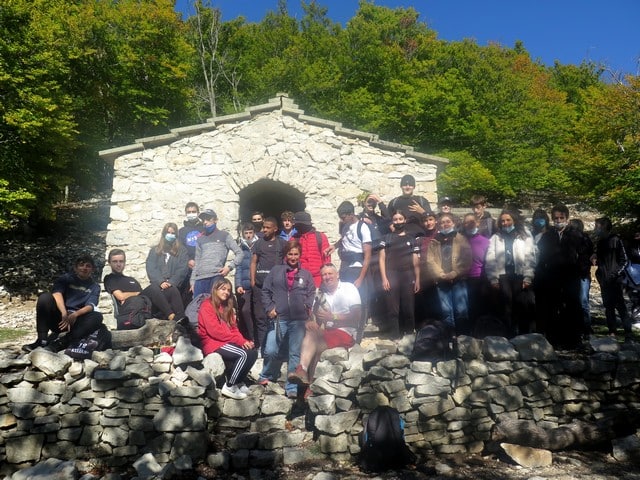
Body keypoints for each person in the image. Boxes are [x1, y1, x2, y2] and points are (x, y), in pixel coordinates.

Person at [288, 263, 361, 395]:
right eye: (324, 275)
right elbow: (312, 315)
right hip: (327, 332)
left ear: (337, 274)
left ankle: (304, 378)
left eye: (330, 274)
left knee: (314, 342)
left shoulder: (349, 288)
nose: (327, 277)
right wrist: (309, 322)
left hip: (345, 331)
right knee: (310, 334)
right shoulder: (320, 293)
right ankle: (304, 377)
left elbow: (357, 316)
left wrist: (333, 317)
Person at [258, 240, 316, 398]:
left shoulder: (306, 274)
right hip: (279, 318)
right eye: (290, 254)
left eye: (296, 254)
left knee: (294, 353)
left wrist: (307, 306)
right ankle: (265, 375)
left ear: (300, 255)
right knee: (270, 349)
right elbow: (265, 291)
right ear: (285, 255)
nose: (293, 257)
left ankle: (291, 387)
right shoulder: (276, 271)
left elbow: (312, 292)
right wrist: (270, 308)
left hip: (298, 320)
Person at [535, 204, 591, 348]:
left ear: (567, 218)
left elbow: (585, 254)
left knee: (573, 306)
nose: (558, 220)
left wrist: (581, 269)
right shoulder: (548, 235)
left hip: (571, 277)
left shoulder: (577, 235)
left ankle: (574, 339)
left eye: (561, 218)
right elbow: (541, 256)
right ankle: (555, 339)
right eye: (555, 218)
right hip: (552, 277)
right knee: (553, 307)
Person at [22, 254, 104, 352]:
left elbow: (91, 306)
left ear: (92, 269)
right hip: (60, 318)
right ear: (76, 267)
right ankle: (42, 340)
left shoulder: (95, 286)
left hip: (77, 322)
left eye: (88, 266)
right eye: (81, 265)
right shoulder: (66, 278)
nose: (84, 268)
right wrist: (64, 313)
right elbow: (57, 293)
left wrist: (74, 315)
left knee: (97, 316)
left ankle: (62, 342)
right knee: (45, 297)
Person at [198, 278, 257, 400]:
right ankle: (230, 385)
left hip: (226, 341)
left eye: (228, 290)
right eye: (223, 289)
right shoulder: (207, 306)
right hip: (212, 343)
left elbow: (234, 328)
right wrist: (239, 342)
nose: (226, 292)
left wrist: (243, 341)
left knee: (252, 352)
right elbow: (214, 332)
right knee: (243, 354)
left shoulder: (226, 307)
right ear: (215, 289)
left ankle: (239, 382)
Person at [485, 210, 537, 337]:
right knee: (506, 306)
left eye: (508, 220)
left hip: (520, 275)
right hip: (504, 276)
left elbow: (530, 256)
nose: (505, 223)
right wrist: (493, 279)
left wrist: (528, 276)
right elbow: (490, 259)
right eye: (502, 221)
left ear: (514, 220)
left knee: (523, 304)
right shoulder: (496, 238)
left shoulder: (525, 235)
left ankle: (525, 336)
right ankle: (508, 336)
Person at [104, 249, 183, 326]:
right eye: (115, 261)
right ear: (109, 263)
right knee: (153, 288)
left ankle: (181, 318)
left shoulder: (132, 280)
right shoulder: (110, 278)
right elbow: (120, 297)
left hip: (143, 305)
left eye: (121, 261)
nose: (118, 264)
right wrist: (137, 293)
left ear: (124, 262)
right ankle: (172, 316)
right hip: (129, 309)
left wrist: (136, 294)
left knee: (171, 289)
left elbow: (144, 296)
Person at [426, 213, 472, 335]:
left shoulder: (461, 239)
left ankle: (463, 336)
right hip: (441, 280)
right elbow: (430, 261)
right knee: (446, 311)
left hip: (459, 279)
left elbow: (467, 258)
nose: (445, 224)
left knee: (461, 310)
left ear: (453, 223)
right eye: (442, 222)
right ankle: (449, 336)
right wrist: (441, 275)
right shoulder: (434, 241)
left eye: (448, 222)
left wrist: (454, 273)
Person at [379, 211, 420, 338]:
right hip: (391, 274)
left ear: (405, 220)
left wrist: (417, 279)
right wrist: (384, 278)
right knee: (392, 307)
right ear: (392, 221)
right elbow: (381, 259)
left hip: (407, 274)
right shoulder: (386, 238)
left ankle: (409, 336)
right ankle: (394, 336)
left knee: (408, 307)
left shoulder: (411, 239)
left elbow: (415, 260)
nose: (398, 222)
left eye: (400, 219)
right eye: (395, 219)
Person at [251, 217, 287, 351]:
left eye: (267, 227)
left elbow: (289, 260)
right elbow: (254, 262)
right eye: (263, 227)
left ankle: (278, 347)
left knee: (277, 316)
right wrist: (253, 281)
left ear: (275, 229)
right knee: (260, 317)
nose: (264, 229)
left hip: (276, 287)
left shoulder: (282, 244)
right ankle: (262, 347)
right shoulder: (259, 243)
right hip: (260, 286)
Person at [192, 208, 243, 298]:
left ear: (215, 220)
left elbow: (240, 253)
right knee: (199, 308)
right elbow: (197, 261)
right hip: (200, 279)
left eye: (208, 219)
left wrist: (229, 267)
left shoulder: (224, 235)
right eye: (203, 219)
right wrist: (192, 282)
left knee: (216, 307)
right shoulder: (200, 238)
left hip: (216, 277)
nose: (205, 222)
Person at [593, 217, 630, 337]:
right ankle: (612, 331)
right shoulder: (600, 242)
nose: (595, 229)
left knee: (620, 305)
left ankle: (628, 331)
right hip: (604, 279)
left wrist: (615, 274)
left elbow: (624, 260)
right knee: (608, 306)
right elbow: (601, 261)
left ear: (604, 227)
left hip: (615, 280)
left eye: (597, 226)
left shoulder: (616, 240)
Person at [145, 222, 188, 320]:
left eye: (173, 233)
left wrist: (171, 282)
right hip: (157, 286)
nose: (171, 235)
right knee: (154, 290)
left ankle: (180, 320)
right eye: (168, 232)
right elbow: (151, 267)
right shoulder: (155, 250)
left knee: (173, 291)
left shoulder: (182, 251)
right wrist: (160, 281)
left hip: (173, 286)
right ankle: (172, 316)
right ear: (164, 234)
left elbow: (182, 269)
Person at [461, 213, 491, 332]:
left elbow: (489, 262)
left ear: (478, 223)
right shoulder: (460, 240)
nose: (469, 224)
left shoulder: (485, 241)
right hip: (462, 279)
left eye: (472, 221)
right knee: (464, 309)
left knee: (478, 308)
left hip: (479, 279)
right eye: (466, 222)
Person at [292, 211, 331, 288]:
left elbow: (327, 260)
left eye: (298, 225)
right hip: (299, 279)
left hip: (318, 280)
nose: (296, 227)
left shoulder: (320, 237)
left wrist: (325, 279)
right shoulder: (293, 239)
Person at [570, 218, 594, 337]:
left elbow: (587, 255)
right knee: (578, 301)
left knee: (583, 301)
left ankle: (586, 328)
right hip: (575, 274)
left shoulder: (585, 239)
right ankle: (580, 328)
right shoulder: (569, 239)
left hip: (582, 274)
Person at [178, 202, 204, 305]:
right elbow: (180, 249)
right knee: (186, 295)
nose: (191, 214)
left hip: (201, 266)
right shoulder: (182, 231)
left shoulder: (203, 229)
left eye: (193, 211)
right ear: (185, 213)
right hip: (187, 267)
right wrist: (188, 260)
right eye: (189, 212)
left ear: (198, 213)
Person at [235, 223, 257, 342]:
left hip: (257, 284)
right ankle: (251, 337)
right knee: (245, 310)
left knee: (258, 312)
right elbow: (238, 267)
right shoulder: (240, 248)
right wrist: (238, 284)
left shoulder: (258, 245)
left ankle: (258, 339)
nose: (248, 236)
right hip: (245, 286)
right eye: (246, 233)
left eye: (250, 233)